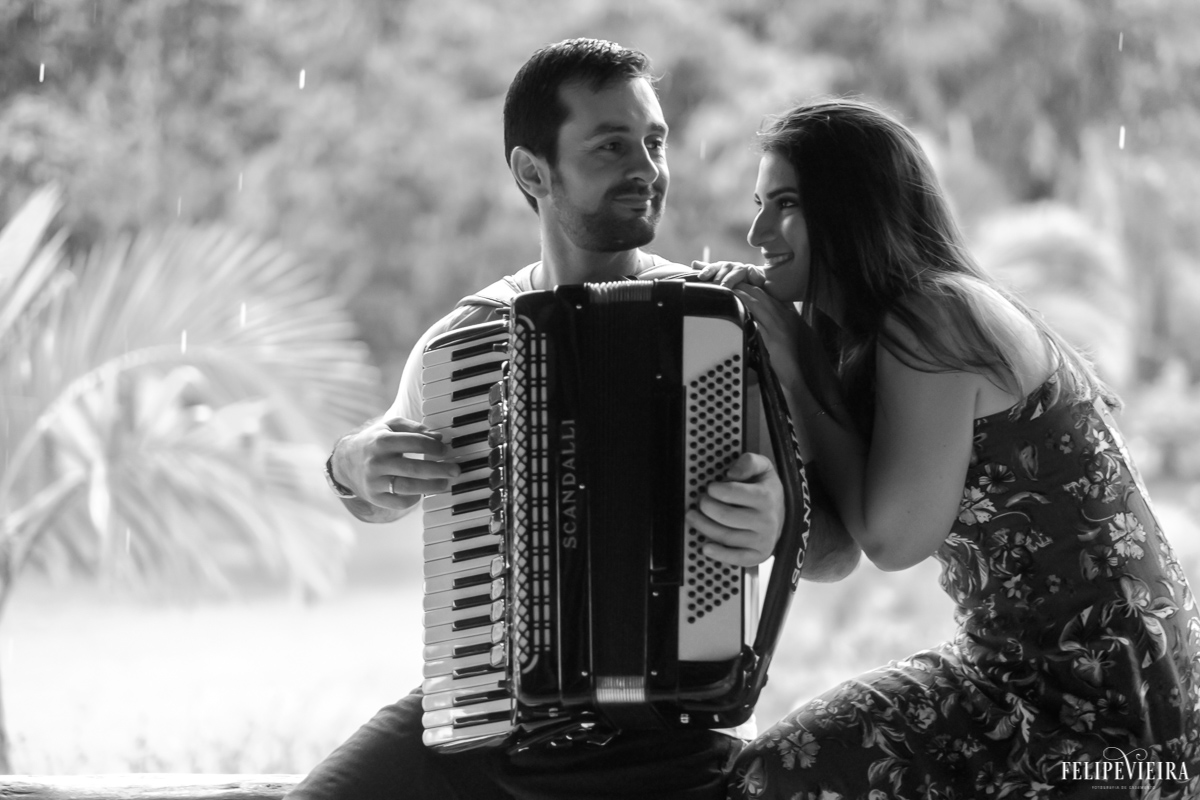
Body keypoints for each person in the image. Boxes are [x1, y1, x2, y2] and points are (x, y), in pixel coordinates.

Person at [298, 40, 854, 800]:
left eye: (654, 142)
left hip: (674, 725)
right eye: (611, 146)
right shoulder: (465, 345)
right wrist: (351, 463)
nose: (647, 168)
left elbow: (835, 552)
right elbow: (375, 490)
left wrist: (780, 523)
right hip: (488, 708)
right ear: (533, 173)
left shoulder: (721, 330)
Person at [697, 99, 1200, 799]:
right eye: (759, 204)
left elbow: (891, 539)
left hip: (1108, 715)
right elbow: (838, 544)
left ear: (852, 209)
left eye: (785, 204)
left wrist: (798, 372)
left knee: (776, 780)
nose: (756, 231)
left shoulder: (934, 317)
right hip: (1008, 675)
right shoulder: (868, 337)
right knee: (770, 772)